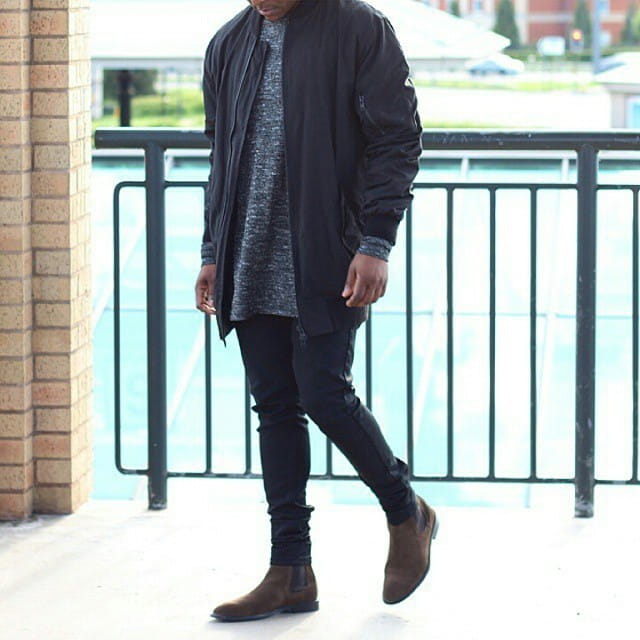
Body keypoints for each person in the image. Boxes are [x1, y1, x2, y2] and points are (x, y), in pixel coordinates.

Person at [195, 0, 437, 622]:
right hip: (248, 253)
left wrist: (375, 241)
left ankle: (404, 508)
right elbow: (220, 159)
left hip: (327, 253)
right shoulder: (228, 43)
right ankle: (291, 570)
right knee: (275, 406)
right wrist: (212, 252)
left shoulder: (358, 27)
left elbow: (397, 138)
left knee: (324, 392)